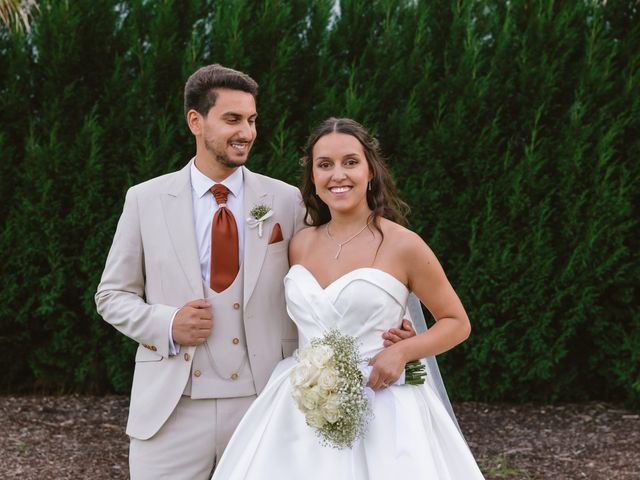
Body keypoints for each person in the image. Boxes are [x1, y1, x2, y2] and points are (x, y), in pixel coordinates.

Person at [95, 66, 414, 479]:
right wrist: (168, 322)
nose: (246, 131)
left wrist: (391, 331)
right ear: (196, 121)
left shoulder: (286, 200)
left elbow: (337, 276)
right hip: (171, 408)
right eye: (232, 120)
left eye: (251, 120)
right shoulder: (145, 200)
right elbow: (111, 295)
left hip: (265, 402)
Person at [211, 118, 485, 479]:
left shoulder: (403, 244)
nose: (337, 174)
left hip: (384, 404)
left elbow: (457, 322)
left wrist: (403, 351)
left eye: (350, 162)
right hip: (300, 405)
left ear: (371, 171)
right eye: (324, 165)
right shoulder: (299, 244)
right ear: (313, 177)